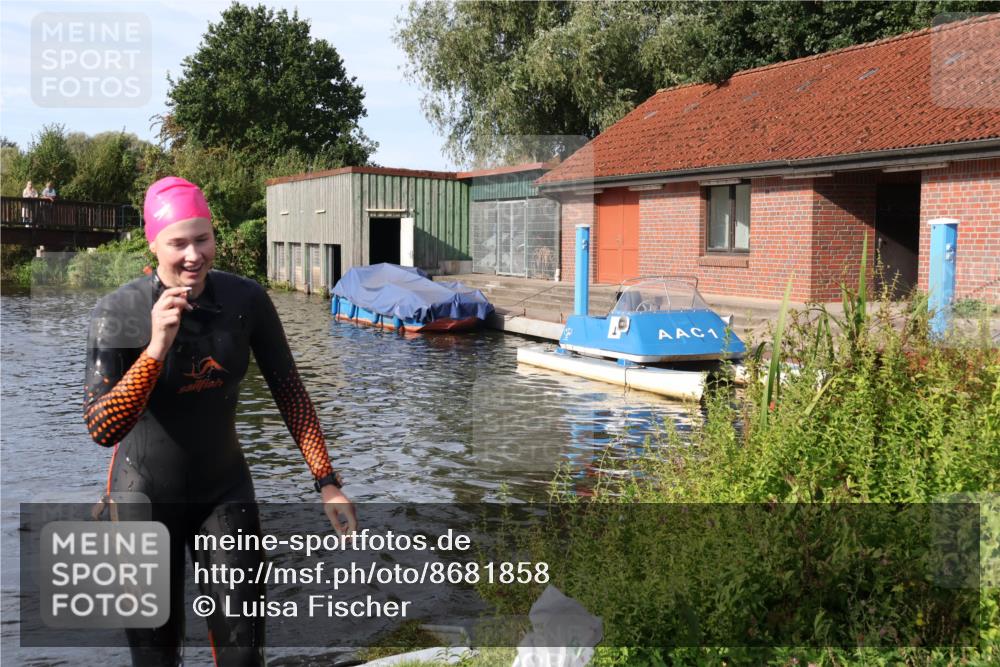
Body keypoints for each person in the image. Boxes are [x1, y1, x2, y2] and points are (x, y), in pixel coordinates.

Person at [84, 176, 356, 666]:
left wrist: (327, 482)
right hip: (141, 497)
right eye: (178, 243)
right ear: (153, 242)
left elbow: (290, 392)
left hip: (223, 492)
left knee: (243, 653)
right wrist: (155, 348)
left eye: (202, 239)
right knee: (156, 656)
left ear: (215, 235)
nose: (194, 255)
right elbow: (103, 429)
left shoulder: (244, 301)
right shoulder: (119, 310)